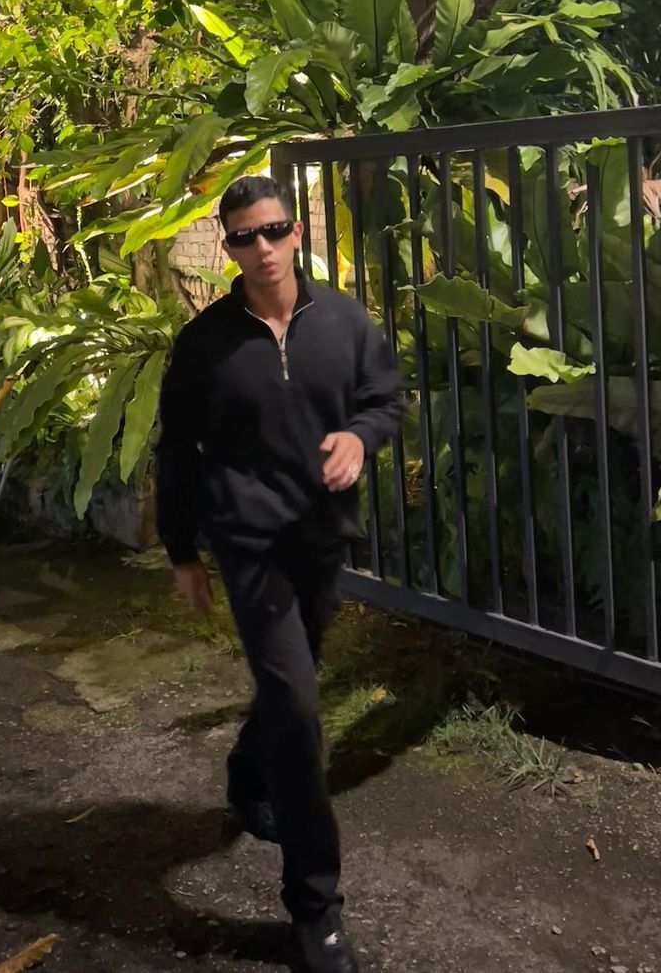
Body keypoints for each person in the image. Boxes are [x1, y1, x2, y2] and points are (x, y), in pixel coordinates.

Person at [155, 174, 403, 973]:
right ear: (228, 247)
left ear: (295, 233)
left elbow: (385, 400)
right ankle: (315, 910)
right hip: (248, 545)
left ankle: (245, 771)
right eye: (243, 237)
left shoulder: (345, 322)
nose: (260, 248)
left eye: (272, 230)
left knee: (290, 685)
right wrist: (182, 552)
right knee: (298, 709)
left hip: (321, 538)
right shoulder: (205, 346)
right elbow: (176, 452)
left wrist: (360, 436)